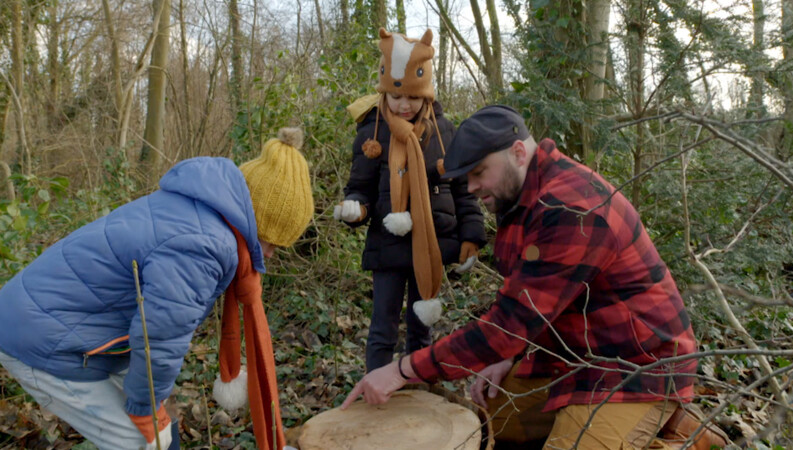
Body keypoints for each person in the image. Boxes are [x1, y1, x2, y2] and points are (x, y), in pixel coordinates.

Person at [342, 106, 728, 448]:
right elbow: (528, 305)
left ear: (519, 152)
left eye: (478, 173)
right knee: (495, 418)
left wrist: (402, 369)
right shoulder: (523, 196)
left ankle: (675, 430)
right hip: (573, 355)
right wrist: (512, 354)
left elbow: (505, 327)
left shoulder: (571, 210)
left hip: (633, 369)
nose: (472, 188)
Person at [0, 128, 313, 450]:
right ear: (257, 220)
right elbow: (160, 335)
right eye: (273, 241)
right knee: (139, 442)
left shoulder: (194, 211)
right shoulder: (204, 245)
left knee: (163, 424)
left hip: (61, 323)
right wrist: (144, 410)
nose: (272, 253)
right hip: (41, 338)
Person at [334, 28, 486, 373]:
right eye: (396, 97)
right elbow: (361, 187)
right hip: (388, 245)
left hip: (431, 245)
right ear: (385, 93)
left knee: (421, 329)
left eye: (413, 99)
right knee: (382, 329)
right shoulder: (370, 133)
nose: (404, 106)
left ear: (426, 96)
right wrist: (355, 209)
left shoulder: (445, 131)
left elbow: (463, 191)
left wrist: (471, 237)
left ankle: (419, 389)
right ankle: (376, 391)